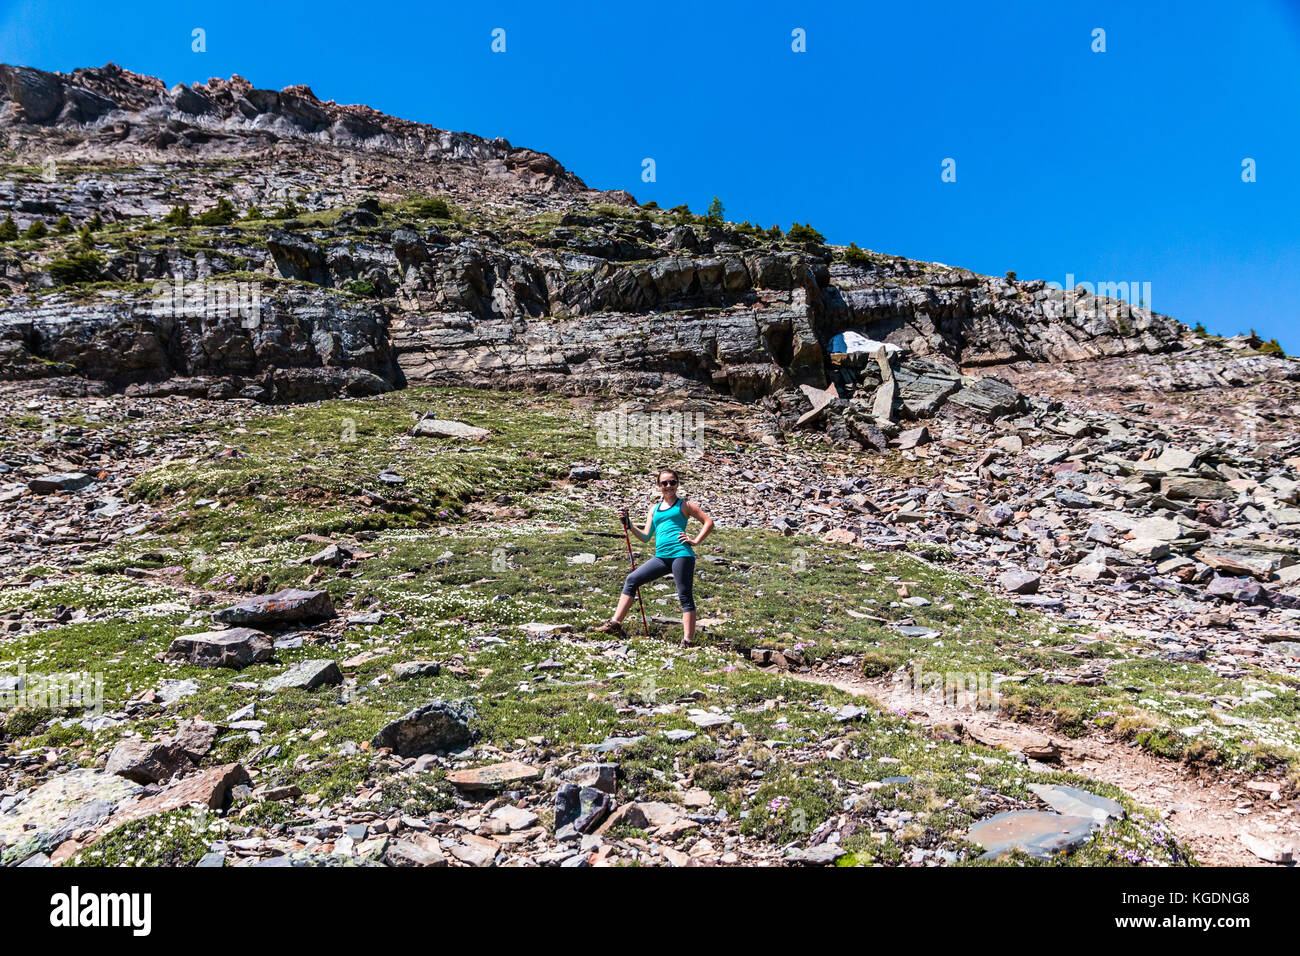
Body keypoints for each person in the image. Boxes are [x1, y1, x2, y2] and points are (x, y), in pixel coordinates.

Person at [597, 468, 714, 645]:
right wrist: (629, 524)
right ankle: (615, 623)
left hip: (681, 554)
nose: (668, 486)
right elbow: (645, 536)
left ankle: (688, 640)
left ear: (677, 484)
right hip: (661, 557)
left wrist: (696, 540)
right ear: (658, 486)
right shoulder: (654, 509)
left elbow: (708, 522)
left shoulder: (685, 505)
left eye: (672, 482)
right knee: (632, 580)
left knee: (684, 595)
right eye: (664, 483)